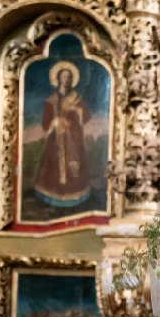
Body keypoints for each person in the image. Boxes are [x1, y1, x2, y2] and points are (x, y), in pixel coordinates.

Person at [33, 62, 94, 209]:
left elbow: (86, 116)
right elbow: (45, 123)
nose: (66, 80)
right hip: (56, 139)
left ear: (72, 80)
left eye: (68, 77)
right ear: (58, 79)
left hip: (73, 138)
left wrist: (75, 110)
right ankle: (51, 197)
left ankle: (75, 195)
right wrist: (54, 121)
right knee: (53, 164)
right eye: (64, 77)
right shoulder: (51, 100)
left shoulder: (76, 98)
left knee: (75, 165)